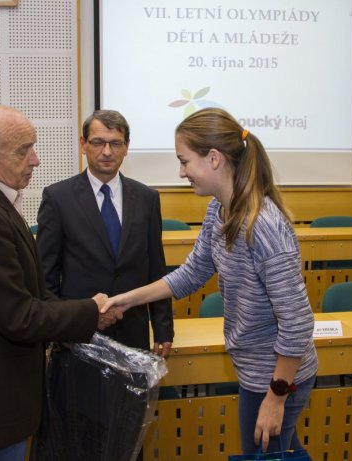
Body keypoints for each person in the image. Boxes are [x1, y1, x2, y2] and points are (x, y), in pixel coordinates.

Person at [103, 108, 318, 454]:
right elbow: (190, 274)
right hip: (256, 371)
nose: (181, 171)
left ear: (214, 158)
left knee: (265, 452)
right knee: (283, 450)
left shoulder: (262, 225)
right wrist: (126, 300)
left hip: (276, 378)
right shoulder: (218, 211)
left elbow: (297, 322)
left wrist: (277, 395)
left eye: (185, 161)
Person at [0, 105, 122, 461]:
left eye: (33, 147)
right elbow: (19, 316)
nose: (35, 160)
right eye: (23, 150)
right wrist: (89, 313)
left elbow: (32, 292)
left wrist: (86, 311)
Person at [37, 109, 173, 357]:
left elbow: (156, 267)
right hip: (80, 337)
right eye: (98, 143)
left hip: (134, 332)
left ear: (126, 147)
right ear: (83, 144)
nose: (107, 151)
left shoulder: (147, 198)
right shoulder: (58, 198)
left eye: (115, 143)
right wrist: (60, 327)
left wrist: (163, 329)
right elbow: (46, 277)